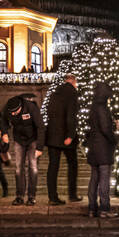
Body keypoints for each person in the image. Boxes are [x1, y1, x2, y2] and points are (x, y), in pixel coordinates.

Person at [45, 74, 81, 204]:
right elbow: (71, 115)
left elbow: (48, 111)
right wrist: (70, 135)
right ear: (73, 82)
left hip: (52, 135)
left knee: (53, 166)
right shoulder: (72, 93)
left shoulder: (55, 93)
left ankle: (52, 197)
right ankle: (72, 194)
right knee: (73, 164)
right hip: (65, 135)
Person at [5, 92, 45, 205]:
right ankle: (19, 196)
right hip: (19, 140)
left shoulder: (31, 108)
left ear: (21, 107)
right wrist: (4, 133)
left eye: (15, 112)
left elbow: (40, 127)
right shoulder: (8, 110)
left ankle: (31, 196)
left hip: (33, 139)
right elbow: (4, 121)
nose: (13, 114)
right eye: (11, 113)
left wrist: (39, 147)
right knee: (18, 169)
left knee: (33, 168)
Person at [85, 81, 118, 218]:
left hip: (93, 147)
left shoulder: (93, 107)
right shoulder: (102, 108)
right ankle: (104, 208)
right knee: (104, 179)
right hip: (103, 148)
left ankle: (92, 208)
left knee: (94, 178)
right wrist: (114, 137)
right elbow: (105, 129)